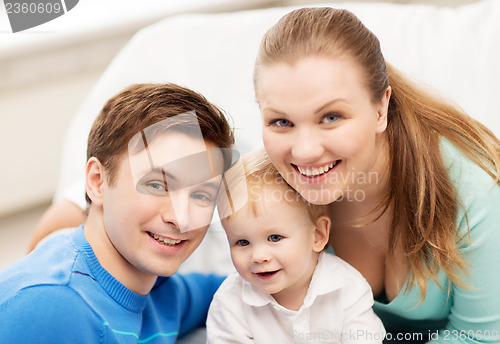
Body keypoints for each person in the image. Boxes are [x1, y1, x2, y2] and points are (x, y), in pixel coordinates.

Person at [253, 7, 500, 343]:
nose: (305, 151)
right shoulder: (266, 190)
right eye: (281, 122)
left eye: (331, 117)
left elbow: (482, 337)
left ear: (381, 108)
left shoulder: (471, 185)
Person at [0, 83, 235, 343]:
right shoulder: (51, 308)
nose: (181, 218)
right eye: (157, 185)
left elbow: (232, 289)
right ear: (97, 181)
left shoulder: (163, 295)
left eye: (201, 195)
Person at [206, 148, 385, 343]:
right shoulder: (229, 302)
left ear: (317, 235)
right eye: (242, 242)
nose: (258, 256)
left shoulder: (347, 287)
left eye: (275, 238)